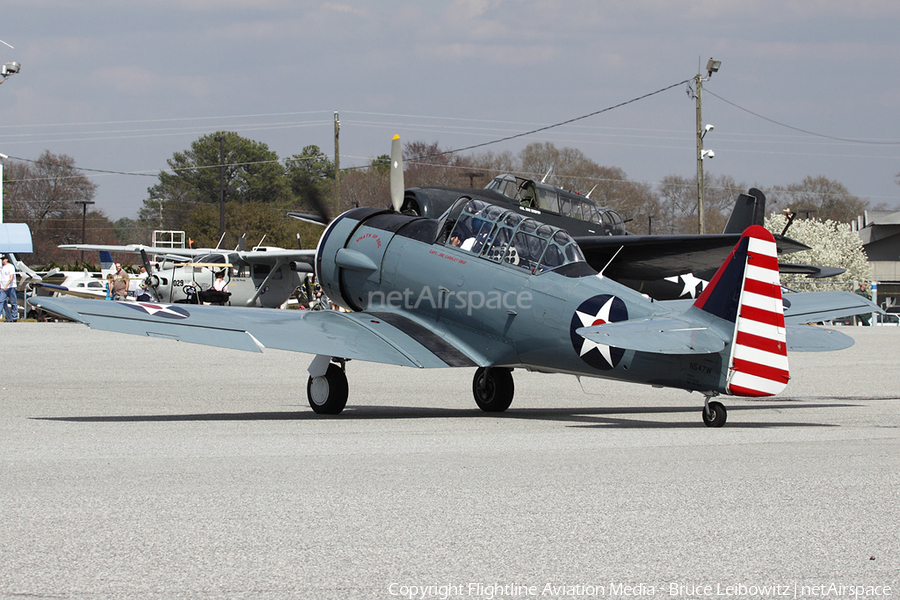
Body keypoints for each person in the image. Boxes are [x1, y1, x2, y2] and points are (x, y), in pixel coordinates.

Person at [0, 255, 18, 322]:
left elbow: (11, 277)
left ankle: (14, 317)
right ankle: (8, 317)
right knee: (2, 302)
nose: (3, 260)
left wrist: (7, 285)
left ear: (7, 259)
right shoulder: (2, 268)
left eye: (4, 259)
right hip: (3, 288)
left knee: (13, 302)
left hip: (11, 287)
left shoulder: (10, 266)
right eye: (2, 259)